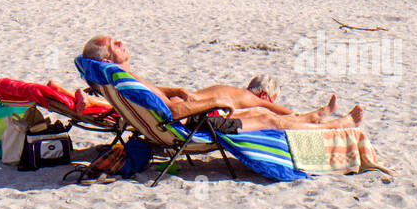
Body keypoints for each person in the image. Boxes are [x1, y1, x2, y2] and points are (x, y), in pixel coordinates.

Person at [81, 37, 362, 130]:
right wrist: (214, 102)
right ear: (107, 60)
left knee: (257, 111)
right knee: (266, 117)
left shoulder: (124, 80)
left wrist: (174, 90)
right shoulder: (123, 80)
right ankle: (336, 125)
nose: (121, 42)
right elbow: (174, 113)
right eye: (114, 44)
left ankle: (316, 116)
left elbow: (159, 98)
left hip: (190, 115)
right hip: (192, 122)